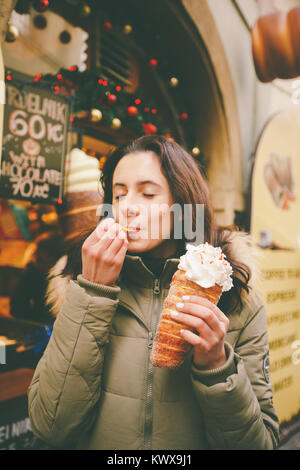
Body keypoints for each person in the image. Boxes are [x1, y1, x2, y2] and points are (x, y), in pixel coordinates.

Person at [27, 135, 280, 450]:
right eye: (118, 196)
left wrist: (216, 366)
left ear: (184, 204)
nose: (128, 208)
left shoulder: (235, 295)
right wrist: (93, 291)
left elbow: (260, 444)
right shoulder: (75, 284)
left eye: (147, 194)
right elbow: (49, 426)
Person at [10, 232, 64, 325]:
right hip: (37, 327)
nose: (35, 262)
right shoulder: (31, 273)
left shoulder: (63, 278)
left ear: (54, 261)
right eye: (36, 257)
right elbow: (16, 309)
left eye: (40, 260)